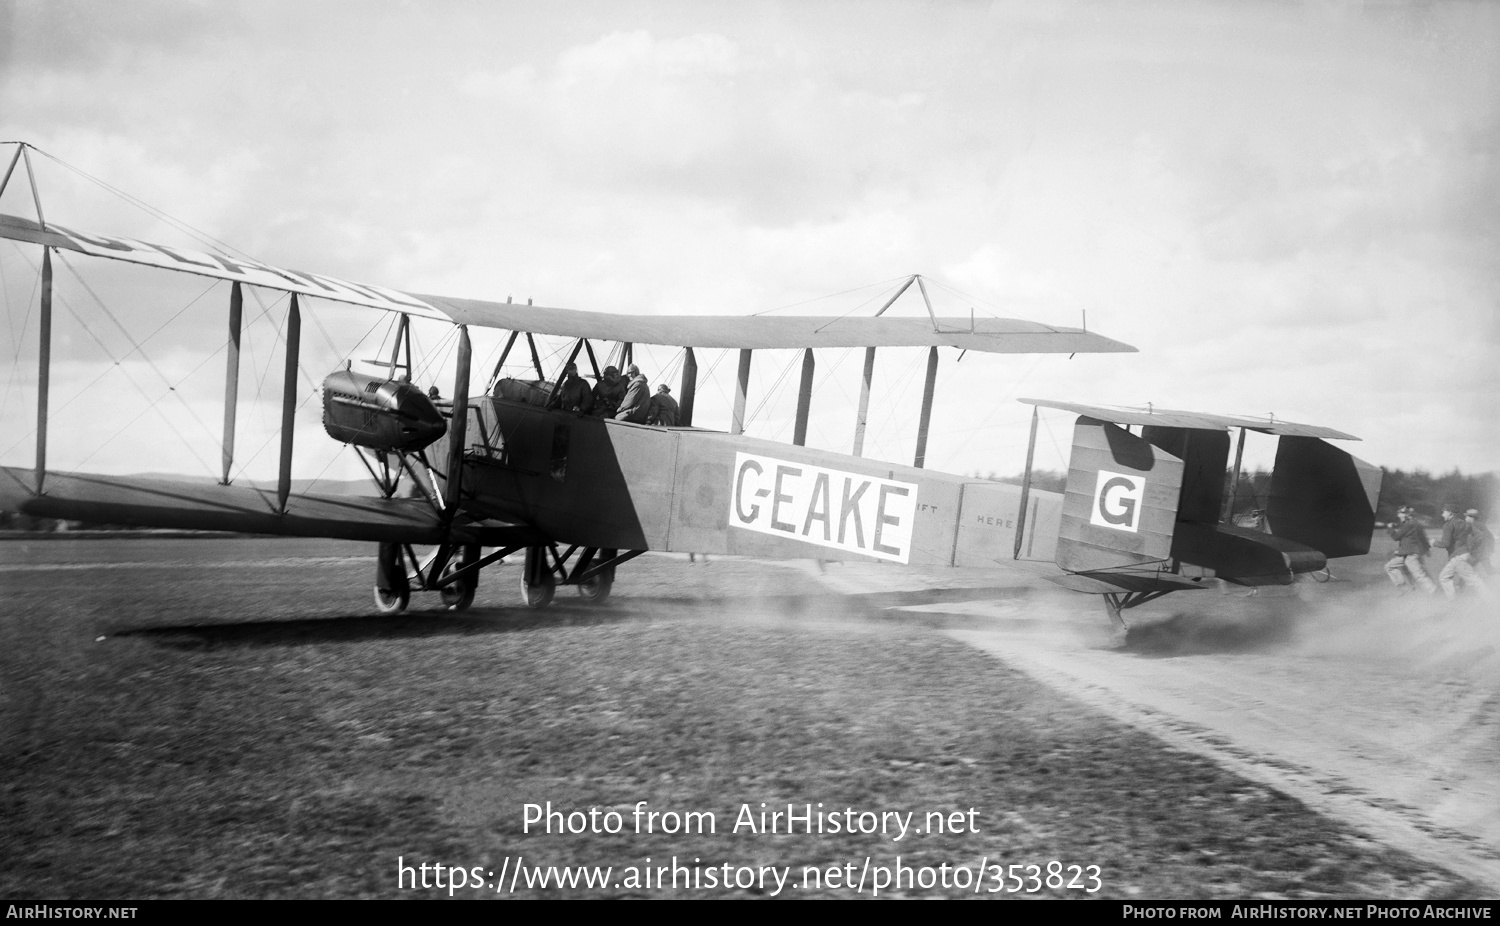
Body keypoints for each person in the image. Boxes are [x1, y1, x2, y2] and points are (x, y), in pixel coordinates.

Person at [1437, 505, 1491, 600]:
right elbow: (1479, 535)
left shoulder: (1448, 525)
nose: (1442, 514)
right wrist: (1469, 547)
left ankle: (1490, 599)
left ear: (1449, 512)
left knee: (1473, 579)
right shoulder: (1464, 523)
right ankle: (1453, 600)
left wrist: (1434, 543)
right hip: (1464, 555)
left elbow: (1445, 543)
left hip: (1457, 557)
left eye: (1444, 512)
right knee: (1444, 577)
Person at [1384, 505, 1436, 595]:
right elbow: (1421, 538)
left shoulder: (1409, 524)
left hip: (1411, 554)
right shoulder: (1413, 524)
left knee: (1419, 575)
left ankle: (1434, 592)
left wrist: (1390, 528)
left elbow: (1396, 537)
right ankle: (1406, 590)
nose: (1403, 515)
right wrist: (1427, 549)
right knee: (1389, 567)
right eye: (1402, 513)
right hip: (1406, 554)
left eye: (1404, 513)